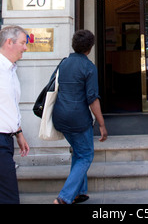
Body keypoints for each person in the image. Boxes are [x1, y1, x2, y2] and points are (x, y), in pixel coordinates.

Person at [52, 29, 108, 205]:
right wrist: (102, 124)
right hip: (78, 119)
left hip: (60, 117)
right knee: (86, 155)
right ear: (89, 48)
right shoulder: (89, 67)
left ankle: (79, 192)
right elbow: (92, 99)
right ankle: (65, 197)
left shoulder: (63, 63)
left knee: (78, 151)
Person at [0, 25, 30, 204]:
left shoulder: (11, 71)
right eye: (23, 43)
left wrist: (18, 132)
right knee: (7, 199)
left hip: (4, 140)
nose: (25, 47)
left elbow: (8, 106)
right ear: (9, 42)